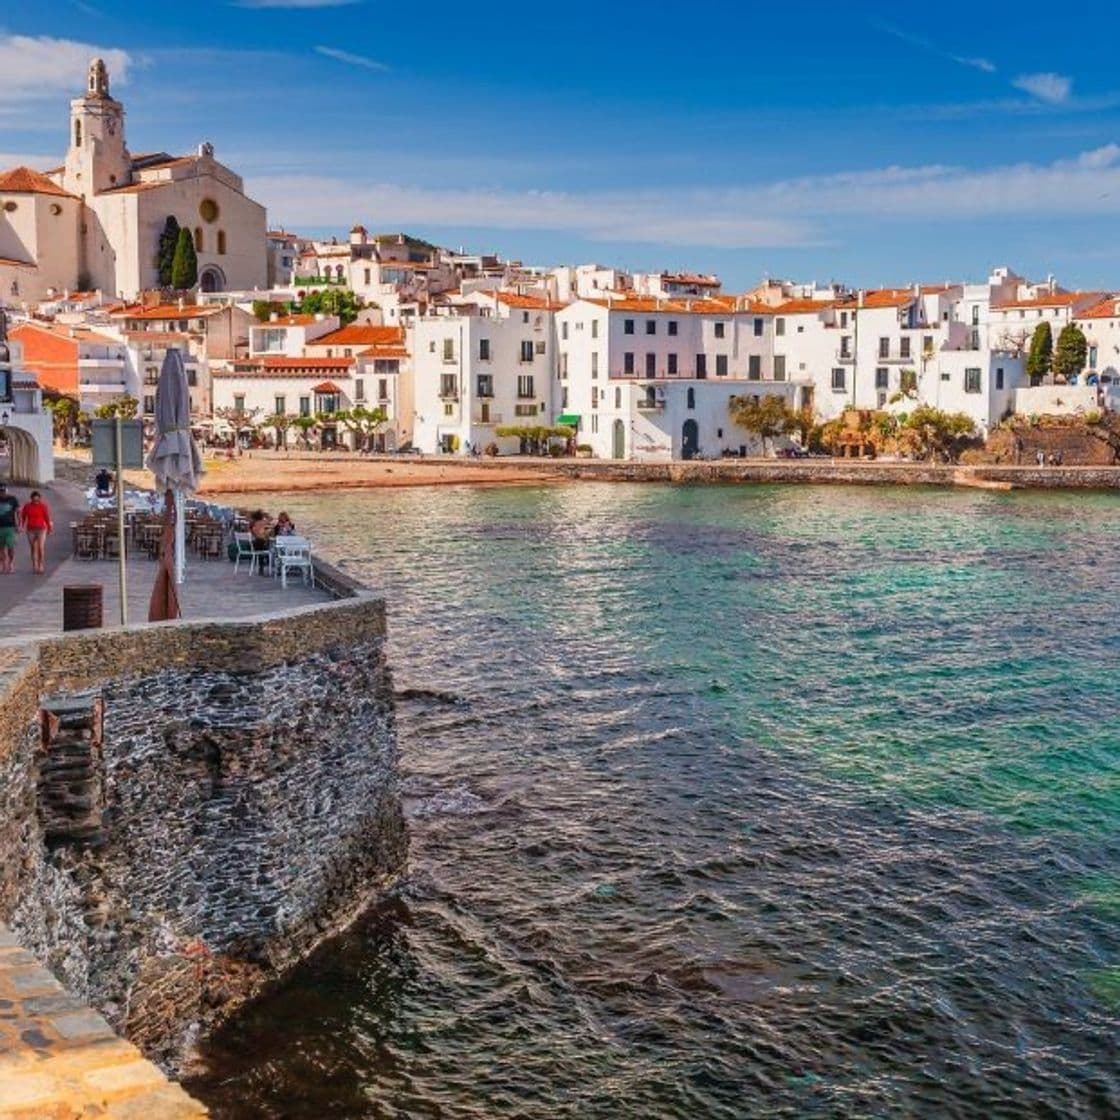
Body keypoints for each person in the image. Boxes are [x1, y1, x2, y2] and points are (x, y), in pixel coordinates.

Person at [20, 490, 53, 575]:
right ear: (31, 499)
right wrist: (22, 526)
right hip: (30, 529)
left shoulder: (43, 506)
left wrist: (49, 528)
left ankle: (41, 564)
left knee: (41, 547)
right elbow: (23, 516)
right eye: (34, 500)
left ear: (39, 499)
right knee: (33, 548)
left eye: (37, 500)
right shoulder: (27, 506)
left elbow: (47, 517)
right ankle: (35, 565)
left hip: (41, 529)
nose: (36, 502)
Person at [0, 484, 19, 574]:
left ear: (7, 490)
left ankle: (11, 563)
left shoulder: (13, 499)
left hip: (10, 527)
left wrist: (18, 524)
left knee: (10, 547)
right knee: (1, 548)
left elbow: (17, 512)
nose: (2, 493)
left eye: (4, 491)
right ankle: (2, 564)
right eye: (0, 491)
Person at [248, 509, 272, 574]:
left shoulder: (252, 523)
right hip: (259, 543)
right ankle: (266, 564)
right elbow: (270, 519)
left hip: (254, 544)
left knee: (264, 546)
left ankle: (263, 564)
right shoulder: (261, 522)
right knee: (268, 548)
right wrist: (266, 515)